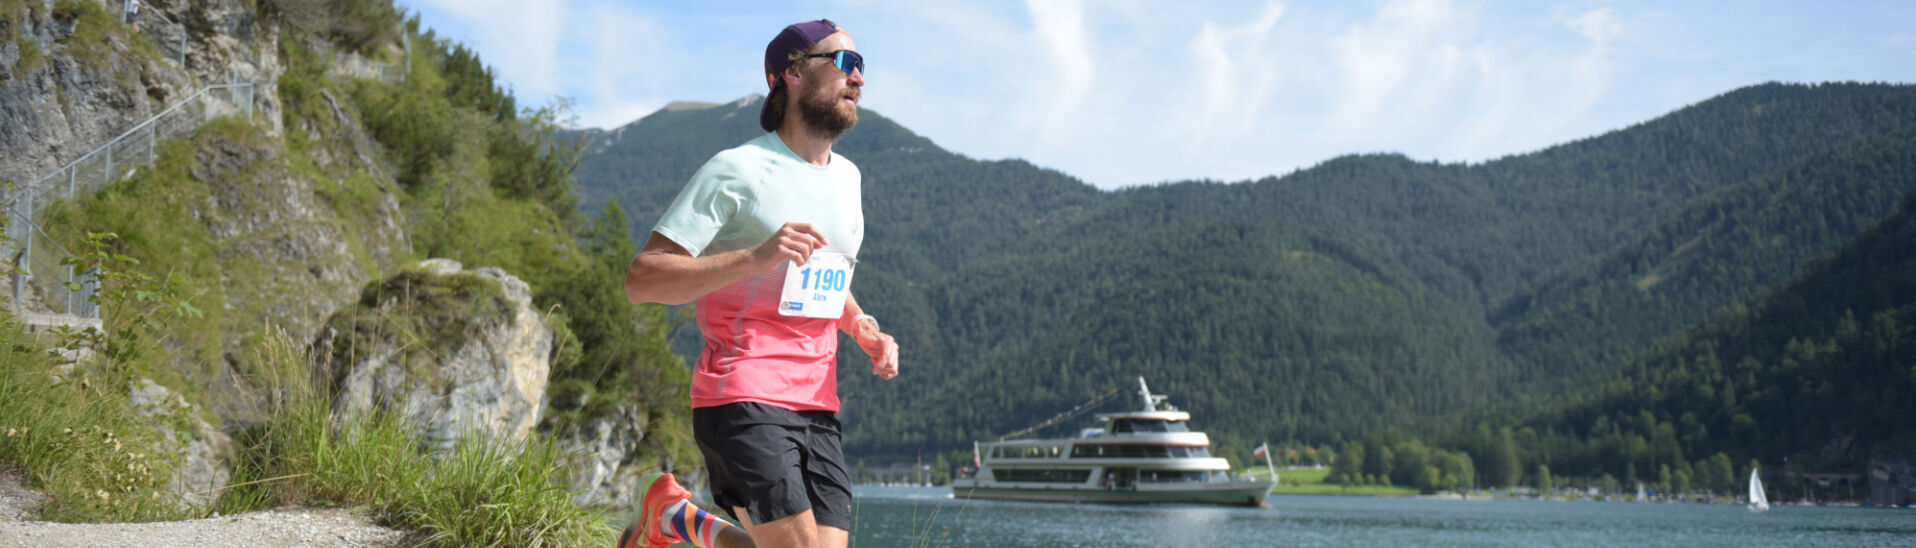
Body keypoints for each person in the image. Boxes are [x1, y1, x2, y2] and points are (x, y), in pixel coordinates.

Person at [619, 18, 896, 548]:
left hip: (818, 402)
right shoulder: (738, 169)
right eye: (843, 62)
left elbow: (823, 275)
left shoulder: (849, 178)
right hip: (742, 392)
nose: (858, 78)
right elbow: (643, 279)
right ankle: (671, 515)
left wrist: (861, 325)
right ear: (793, 73)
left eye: (861, 65)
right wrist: (754, 257)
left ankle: (672, 515)